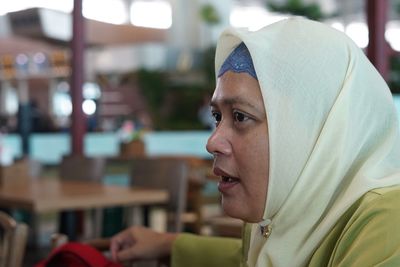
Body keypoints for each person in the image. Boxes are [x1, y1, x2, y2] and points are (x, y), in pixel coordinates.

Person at [109, 17, 400, 267]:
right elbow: (251, 259)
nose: (212, 142)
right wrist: (169, 244)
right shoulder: (276, 218)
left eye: (240, 116)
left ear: (315, 133)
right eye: (216, 116)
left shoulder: (388, 224)